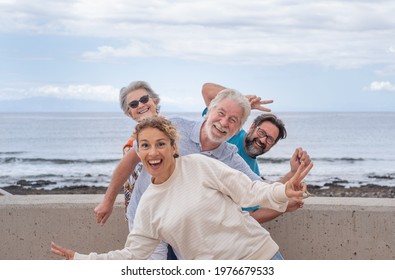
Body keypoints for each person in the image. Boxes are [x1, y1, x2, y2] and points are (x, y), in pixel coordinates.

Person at [51, 116, 313, 260]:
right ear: (138, 153)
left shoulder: (200, 164)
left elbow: (253, 191)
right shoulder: (148, 207)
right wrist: (82, 260)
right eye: (145, 146)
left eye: (161, 144)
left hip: (258, 257)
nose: (153, 152)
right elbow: (132, 255)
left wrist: (284, 190)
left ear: (174, 147)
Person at [94, 80, 160, 221]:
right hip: (141, 215)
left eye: (144, 99)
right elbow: (128, 176)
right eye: (134, 104)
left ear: (155, 101)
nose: (141, 105)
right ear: (129, 113)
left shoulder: (177, 130)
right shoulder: (132, 144)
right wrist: (108, 201)